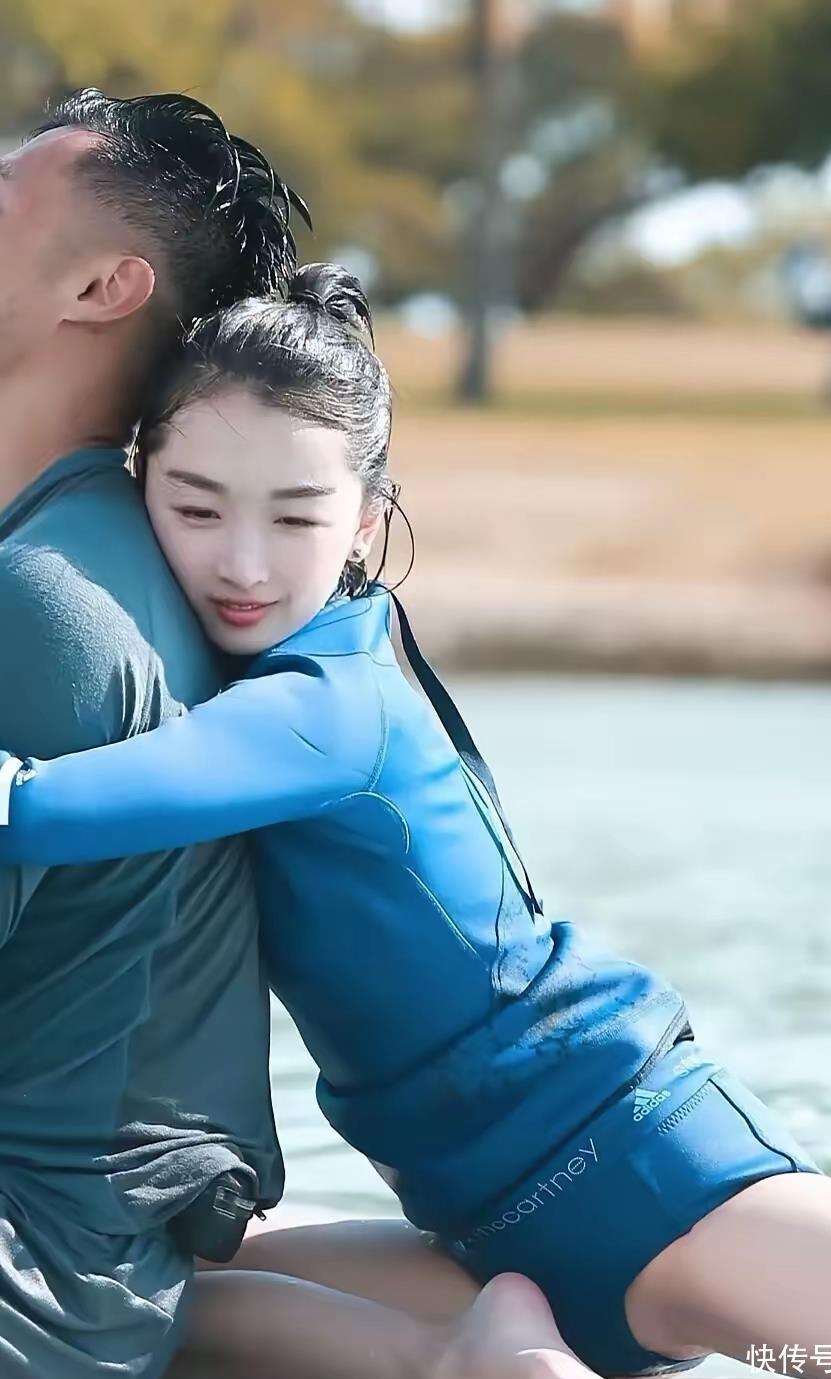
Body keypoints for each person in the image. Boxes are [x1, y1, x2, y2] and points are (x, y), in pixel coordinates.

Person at [0, 263, 831, 1379]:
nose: (243, 561)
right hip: (476, 1214)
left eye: (297, 515)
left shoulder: (329, 706)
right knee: (153, 1295)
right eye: (196, 508)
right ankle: (488, 1356)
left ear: (366, 520)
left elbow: (35, 811)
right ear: (141, 488)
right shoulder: (277, 676)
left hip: (633, 1162)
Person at [0, 92, 578, 1379]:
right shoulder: (93, 556)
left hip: (38, 1282)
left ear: (102, 287)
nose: (242, 557)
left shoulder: (49, 601)